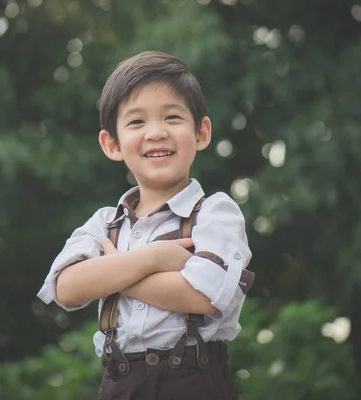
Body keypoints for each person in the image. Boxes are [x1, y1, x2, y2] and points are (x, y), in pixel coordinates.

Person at [37, 51, 254, 400]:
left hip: (195, 383)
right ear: (112, 144)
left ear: (201, 132)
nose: (156, 133)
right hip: (121, 385)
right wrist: (152, 259)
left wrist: (112, 274)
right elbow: (65, 287)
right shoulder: (105, 222)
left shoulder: (215, 213)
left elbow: (202, 296)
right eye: (136, 122)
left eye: (172, 117)